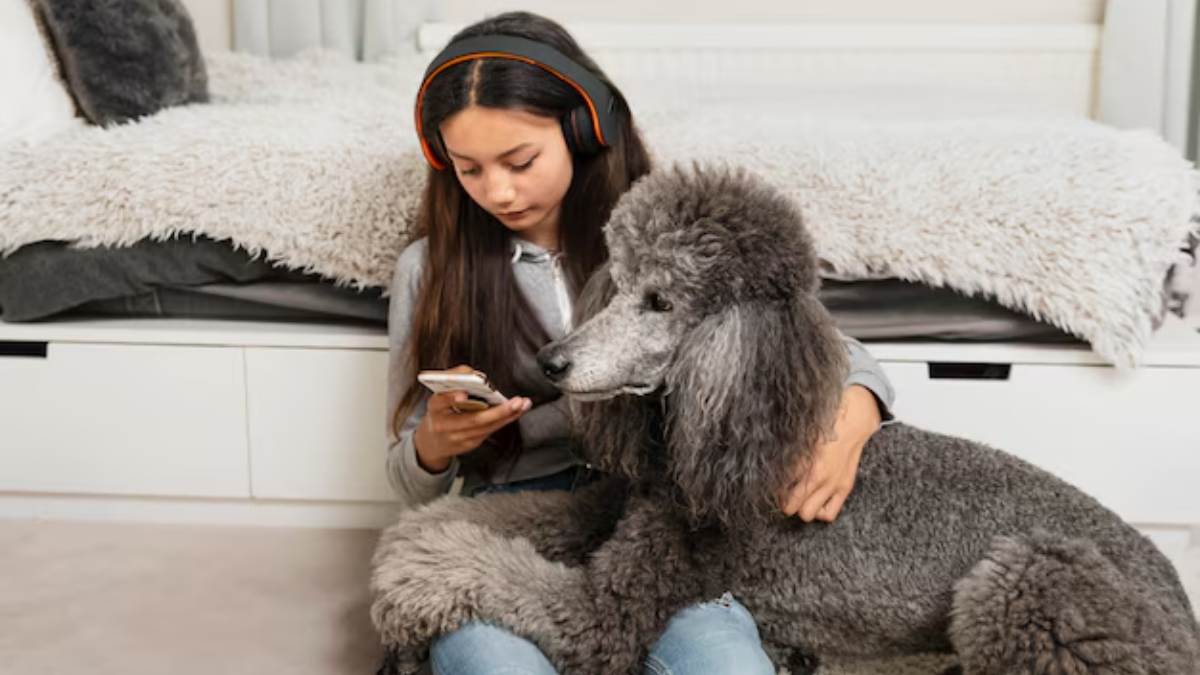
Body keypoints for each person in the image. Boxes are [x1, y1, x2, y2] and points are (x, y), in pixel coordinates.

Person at [385, 11, 896, 675]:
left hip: (657, 523)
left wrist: (856, 411)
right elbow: (403, 477)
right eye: (469, 170)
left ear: (585, 129)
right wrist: (436, 444)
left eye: (520, 161)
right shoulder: (429, 268)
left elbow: (814, 345)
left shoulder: (658, 235)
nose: (498, 191)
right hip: (504, 525)